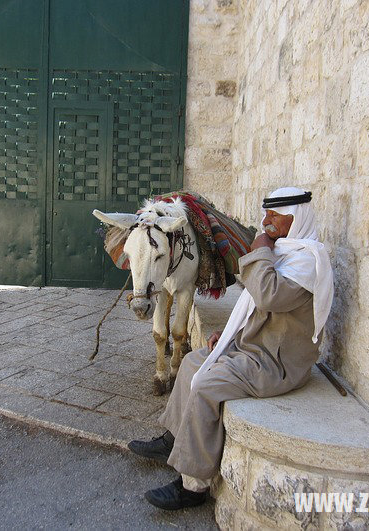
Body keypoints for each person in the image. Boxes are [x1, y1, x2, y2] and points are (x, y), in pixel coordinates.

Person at [127, 186, 334, 510]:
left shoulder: (308, 261)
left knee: (207, 385)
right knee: (195, 361)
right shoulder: (286, 253)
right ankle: (172, 440)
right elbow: (260, 309)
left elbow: (267, 295)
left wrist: (259, 250)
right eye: (265, 214)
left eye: (275, 216)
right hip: (254, 345)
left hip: (276, 363)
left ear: (296, 219)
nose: (266, 222)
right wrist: (230, 332)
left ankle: (192, 486)